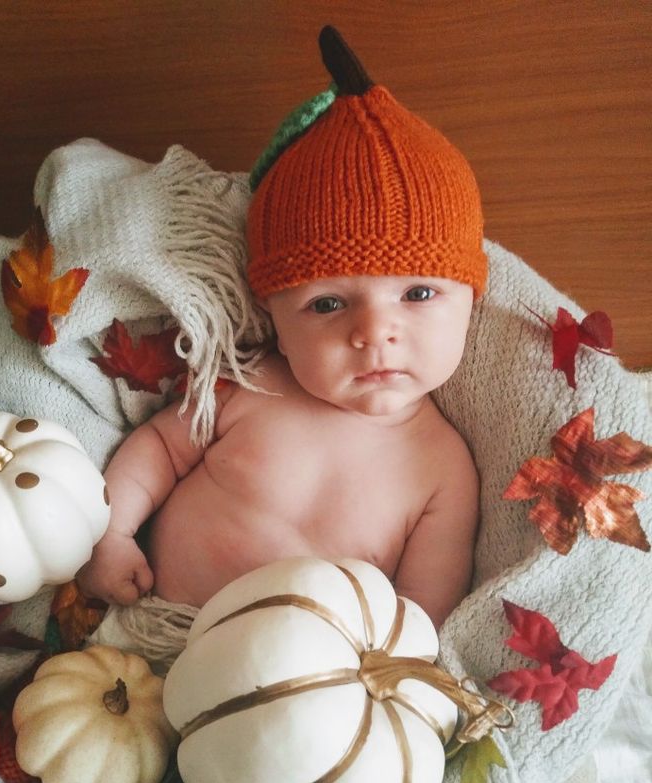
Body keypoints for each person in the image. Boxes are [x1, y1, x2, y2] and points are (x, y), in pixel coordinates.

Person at [78, 26, 486, 630]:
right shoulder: (252, 384)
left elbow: (418, 623)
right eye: (327, 305)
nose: (375, 332)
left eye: (418, 293)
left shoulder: (444, 471)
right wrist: (111, 534)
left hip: (303, 691)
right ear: (270, 310)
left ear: (473, 299)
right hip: (157, 633)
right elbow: (162, 448)